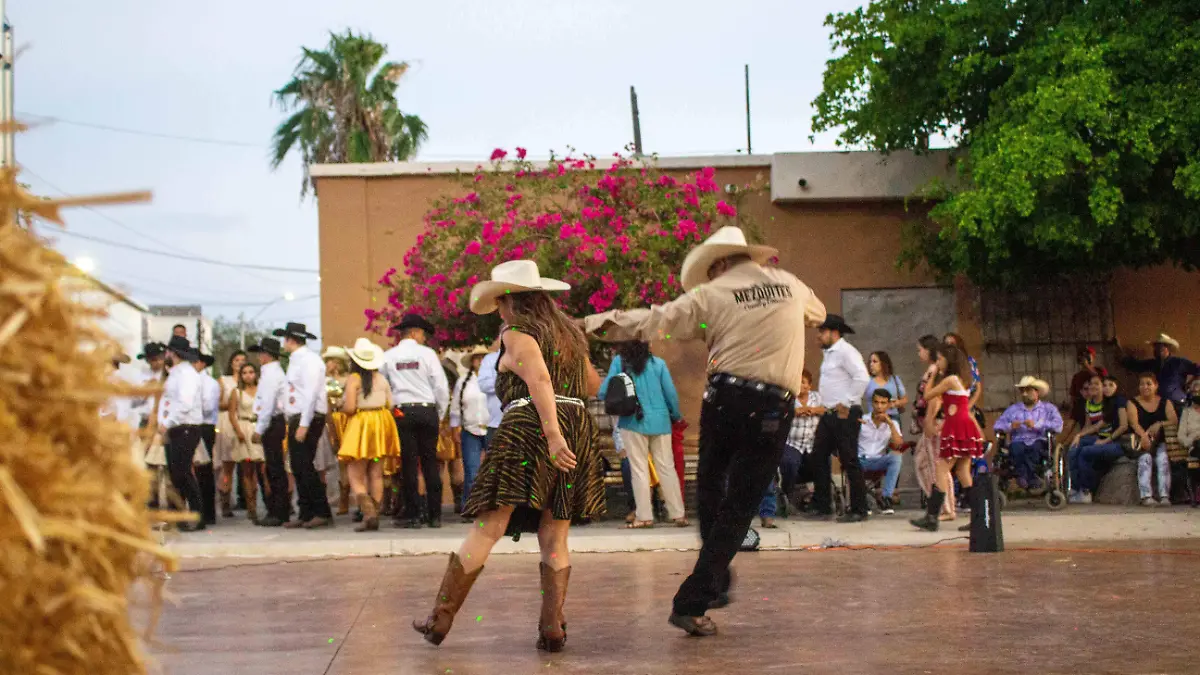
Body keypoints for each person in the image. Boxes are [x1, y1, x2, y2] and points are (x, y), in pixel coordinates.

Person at [583, 226, 826, 637]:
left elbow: (659, 320)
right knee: (739, 504)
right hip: (771, 407)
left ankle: (711, 584)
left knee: (712, 490)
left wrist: (596, 323)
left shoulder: (711, 294)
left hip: (724, 399)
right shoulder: (790, 284)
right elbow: (816, 314)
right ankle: (699, 594)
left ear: (717, 264)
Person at [414, 259, 604, 652]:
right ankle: (552, 628)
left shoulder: (517, 332)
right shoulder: (570, 333)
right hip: (576, 422)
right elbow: (591, 383)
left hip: (530, 428)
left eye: (500, 302)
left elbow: (538, 378)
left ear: (510, 301)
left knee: (489, 526)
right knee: (556, 531)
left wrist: (552, 434)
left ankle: (440, 618)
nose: (499, 311)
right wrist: (565, 423)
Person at [600, 341, 687, 529]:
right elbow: (670, 393)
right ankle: (678, 514)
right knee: (666, 467)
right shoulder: (659, 363)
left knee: (639, 469)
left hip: (632, 421)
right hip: (661, 421)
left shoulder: (619, 363)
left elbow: (604, 391)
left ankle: (645, 517)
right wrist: (676, 415)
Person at [382, 313, 451, 529]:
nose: (424, 338)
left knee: (409, 464)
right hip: (427, 410)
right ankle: (434, 515)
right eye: (422, 334)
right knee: (430, 463)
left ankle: (412, 515)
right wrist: (439, 413)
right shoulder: (427, 354)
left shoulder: (389, 356)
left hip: (402, 412)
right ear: (414, 332)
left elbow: (385, 387)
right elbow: (440, 386)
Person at [910, 344, 985, 531]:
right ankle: (979, 516)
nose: (939, 362)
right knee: (962, 472)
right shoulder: (962, 379)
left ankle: (932, 516)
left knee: (941, 469)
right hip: (963, 425)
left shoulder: (951, 379)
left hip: (957, 427)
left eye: (941, 359)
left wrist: (932, 374)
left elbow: (928, 395)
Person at [807, 314, 872, 523]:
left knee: (849, 458)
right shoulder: (829, 354)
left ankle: (859, 508)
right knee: (818, 455)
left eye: (822, 331)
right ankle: (822, 503)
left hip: (844, 412)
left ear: (834, 332)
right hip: (829, 413)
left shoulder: (846, 352)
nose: (819, 336)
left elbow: (862, 376)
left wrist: (848, 401)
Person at [337, 338, 401, 532]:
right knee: (376, 473)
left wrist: (339, 406)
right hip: (381, 423)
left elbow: (349, 407)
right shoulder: (381, 379)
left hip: (361, 424)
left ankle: (369, 513)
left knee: (355, 474)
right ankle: (375, 512)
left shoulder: (353, 379)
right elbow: (390, 404)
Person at [272, 322, 332, 529]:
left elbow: (311, 393)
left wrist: (304, 423)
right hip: (298, 415)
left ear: (291, 340)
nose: (284, 343)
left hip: (308, 416)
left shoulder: (309, 361)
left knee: (304, 465)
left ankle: (321, 511)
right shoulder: (297, 360)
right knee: (298, 466)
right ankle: (306, 512)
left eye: (285, 339)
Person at [159, 335, 205, 531]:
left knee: (182, 473)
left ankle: (197, 514)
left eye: (168, 351)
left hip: (185, 427)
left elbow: (184, 404)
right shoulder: (176, 373)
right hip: (177, 427)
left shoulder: (186, 374)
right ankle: (181, 516)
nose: (166, 354)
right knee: (177, 474)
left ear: (174, 353)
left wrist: (168, 422)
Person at [1066, 375, 1128, 504]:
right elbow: (1095, 426)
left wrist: (1105, 441)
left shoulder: (1120, 401)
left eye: (1110, 385)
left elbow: (1123, 426)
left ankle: (1086, 490)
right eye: (1105, 385)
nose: (1106, 388)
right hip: (1100, 439)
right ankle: (1075, 487)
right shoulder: (1107, 403)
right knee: (1074, 448)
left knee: (1085, 452)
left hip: (1117, 443)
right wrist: (1078, 436)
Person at [993, 376, 1064, 490]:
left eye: (1028, 390)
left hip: (1039, 440)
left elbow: (1058, 425)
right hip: (1018, 440)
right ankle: (1027, 478)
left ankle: (1026, 477)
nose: (1025, 394)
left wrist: (1037, 426)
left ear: (1037, 392)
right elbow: (997, 426)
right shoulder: (1013, 409)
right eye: (1022, 391)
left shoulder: (1048, 409)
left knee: (1034, 449)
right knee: (1016, 449)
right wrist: (1010, 426)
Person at [249, 337, 289, 527]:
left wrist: (259, 428)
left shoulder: (272, 375)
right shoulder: (271, 373)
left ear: (266, 355)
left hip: (273, 422)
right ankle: (278, 509)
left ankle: (278, 511)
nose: (259, 357)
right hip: (273, 421)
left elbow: (268, 404)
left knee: (275, 468)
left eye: (260, 353)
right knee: (274, 468)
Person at [912, 335, 951, 518]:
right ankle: (940, 505)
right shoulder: (932, 370)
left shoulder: (934, 371)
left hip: (934, 423)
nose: (918, 353)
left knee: (934, 465)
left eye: (920, 349)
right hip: (930, 422)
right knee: (925, 461)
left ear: (929, 350)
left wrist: (929, 420)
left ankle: (944, 507)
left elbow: (934, 398)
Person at [451, 346, 490, 516]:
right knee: (472, 470)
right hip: (470, 429)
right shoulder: (463, 382)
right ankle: (470, 506)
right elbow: (456, 406)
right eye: (477, 358)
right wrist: (455, 426)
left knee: (493, 470)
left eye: (483, 358)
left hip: (492, 429)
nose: (480, 362)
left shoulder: (495, 378)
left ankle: (492, 507)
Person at [1127, 373, 1176, 506]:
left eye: (1149, 383)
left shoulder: (1165, 402)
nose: (1145, 387)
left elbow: (1173, 420)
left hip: (1159, 441)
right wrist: (1144, 437)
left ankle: (1165, 496)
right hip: (1139, 441)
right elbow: (1133, 423)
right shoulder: (1132, 402)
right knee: (1145, 460)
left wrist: (1159, 424)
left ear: (1156, 386)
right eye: (1142, 384)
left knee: (1163, 459)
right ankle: (1146, 496)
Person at [227, 362, 264, 523]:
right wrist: (238, 431)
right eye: (244, 373)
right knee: (247, 470)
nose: (248, 375)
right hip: (244, 427)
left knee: (262, 468)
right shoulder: (237, 392)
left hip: (259, 428)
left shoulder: (261, 390)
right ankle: (251, 506)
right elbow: (231, 414)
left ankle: (267, 500)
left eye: (251, 372)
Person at [857, 389, 904, 514]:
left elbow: (898, 444)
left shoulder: (892, 423)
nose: (879, 406)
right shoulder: (862, 420)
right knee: (852, 461)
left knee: (896, 457)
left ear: (888, 405)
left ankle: (886, 498)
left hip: (879, 460)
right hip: (860, 460)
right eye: (876, 402)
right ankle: (861, 500)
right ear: (872, 403)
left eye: (883, 403)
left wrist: (890, 424)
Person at [1120, 333, 1198, 407]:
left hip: (1176, 403)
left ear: (1168, 348)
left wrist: (1189, 385)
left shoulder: (1179, 362)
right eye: (1157, 347)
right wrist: (1119, 352)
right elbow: (1133, 365)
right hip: (1157, 405)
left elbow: (1198, 370)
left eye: (1163, 346)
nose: (1159, 349)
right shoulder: (1151, 364)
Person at [214, 351, 246, 514]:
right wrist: (231, 404)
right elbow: (216, 403)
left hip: (245, 420)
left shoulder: (249, 380)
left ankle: (249, 500)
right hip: (227, 420)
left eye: (243, 360)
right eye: (236, 360)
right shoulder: (224, 381)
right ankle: (225, 499)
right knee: (228, 464)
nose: (240, 363)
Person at [322, 346, 353, 515]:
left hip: (344, 418)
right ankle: (335, 497)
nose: (327, 364)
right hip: (329, 420)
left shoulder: (347, 380)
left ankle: (345, 498)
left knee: (346, 460)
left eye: (330, 361)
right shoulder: (323, 380)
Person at [194, 353, 222, 524]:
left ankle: (207, 512)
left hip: (204, 425)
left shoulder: (209, 383)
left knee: (204, 468)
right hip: (192, 425)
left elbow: (208, 407)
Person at [943, 332, 983, 421]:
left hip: (966, 406)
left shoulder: (969, 362)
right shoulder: (943, 363)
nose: (949, 347)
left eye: (952, 344)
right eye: (946, 344)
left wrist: (967, 407)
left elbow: (978, 388)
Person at [865, 351, 907, 425]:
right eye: (870, 362)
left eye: (875, 361)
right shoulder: (867, 380)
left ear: (883, 363)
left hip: (892, 417)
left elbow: (904, 399)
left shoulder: (894, 379)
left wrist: (894, 404)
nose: (871, 364)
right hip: (874, 419)